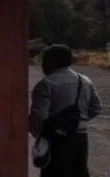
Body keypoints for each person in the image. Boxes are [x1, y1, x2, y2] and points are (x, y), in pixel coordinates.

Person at [29, 44, 102, 177]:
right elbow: (96, 108)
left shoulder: (46, 84)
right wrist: (78, 121)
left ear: (52, 62)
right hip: (80, 140)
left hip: (55, 141)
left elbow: (38, 116)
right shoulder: (85, 81)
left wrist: (40, 136)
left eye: (44, 61)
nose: (42, 65)